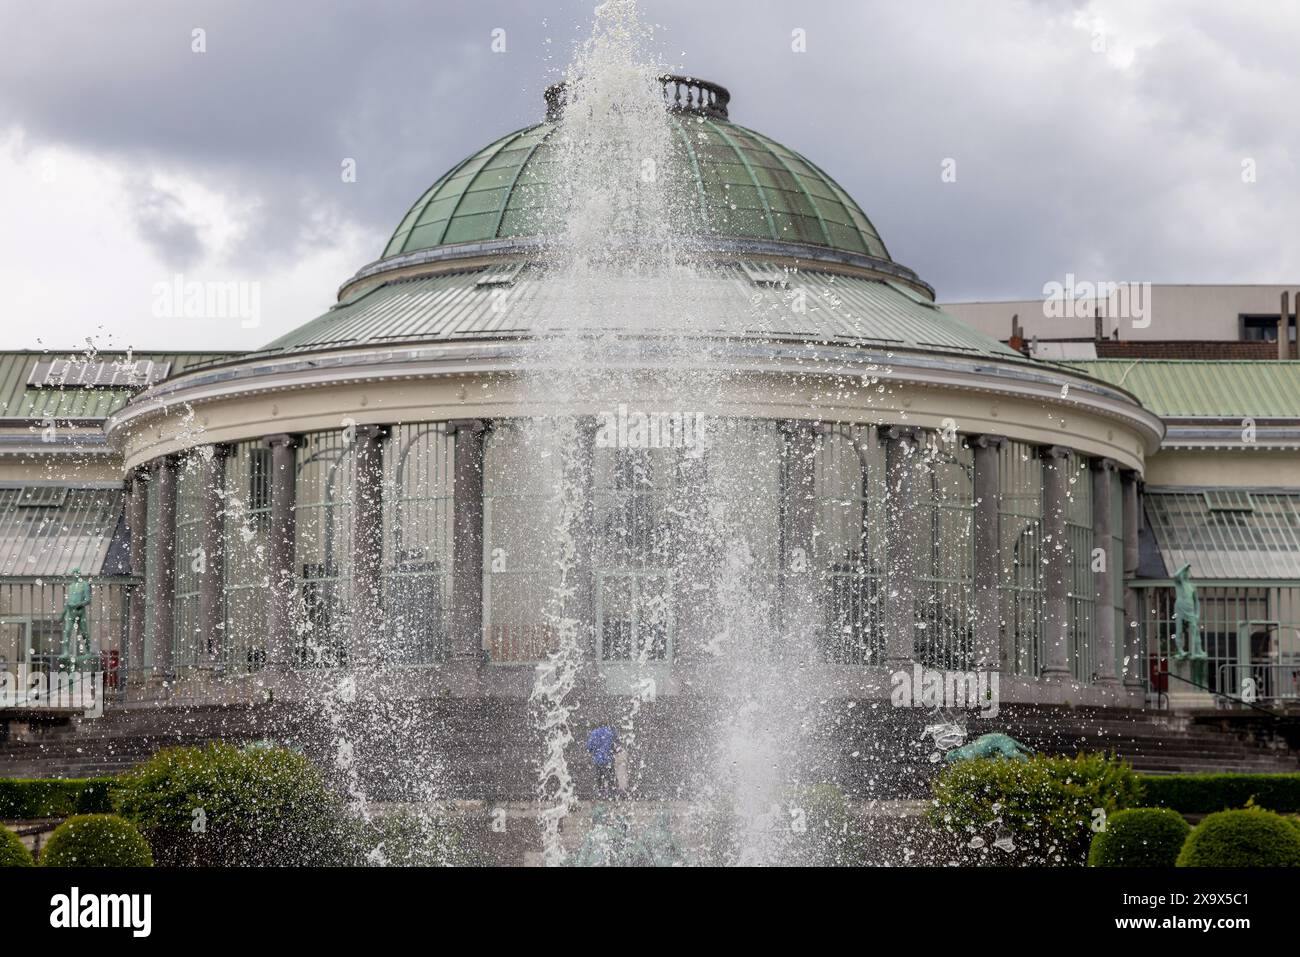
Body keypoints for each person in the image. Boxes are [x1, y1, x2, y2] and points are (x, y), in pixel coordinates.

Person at [585, 723, 617, 799]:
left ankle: (601, 795)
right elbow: (615, 745)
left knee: (599, 778)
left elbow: (589, 747)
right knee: (611, 778)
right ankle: (612, 796)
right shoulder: (610, 732)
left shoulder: (594, 733)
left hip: (598, 760)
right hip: (609, 759)